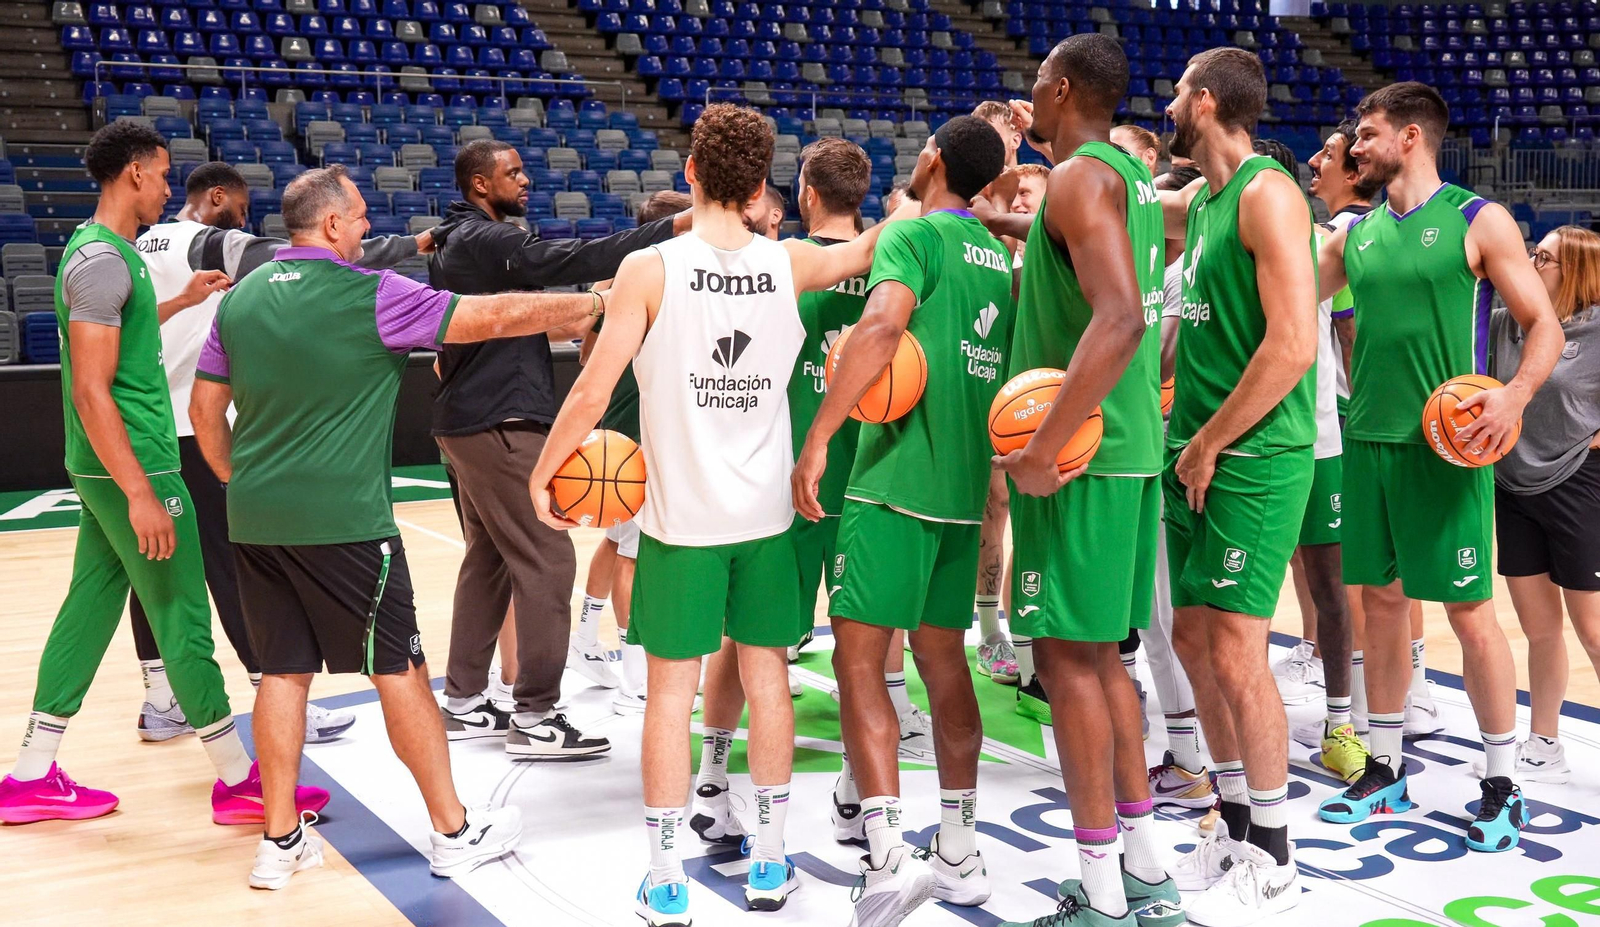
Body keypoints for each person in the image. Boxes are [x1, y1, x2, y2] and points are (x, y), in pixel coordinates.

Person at [188, 166, 610, 887]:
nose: (365, 229)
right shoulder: (372, 294)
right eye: (358, 217)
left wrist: (240, 482)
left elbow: (204, 413)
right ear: (330, 224)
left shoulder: (241, 297)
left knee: (283, 672)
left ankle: (280, 839)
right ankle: (453, 830)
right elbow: (492, 317)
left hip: (255, 520)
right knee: (401, 670)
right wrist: (594, 302)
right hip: (347, 523)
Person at [528, 104, 896, 923]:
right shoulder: (790, 261)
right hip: (766, 520)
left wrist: (544, 472)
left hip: (679, 525)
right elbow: (872, 245)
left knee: (671, 696)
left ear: (691, 172)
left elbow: (591, 389)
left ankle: (666, 877)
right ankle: (769, 860)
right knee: (769, 683)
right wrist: (933, 188)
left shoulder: (649, 269)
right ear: (763, 185)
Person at [0, 122, 329, 832]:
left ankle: (29, 774)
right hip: (139, 463)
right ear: (132, 174)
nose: (164, 186)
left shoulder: (101, 251)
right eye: (158, 172)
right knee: (184, 616)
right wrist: (142, 491)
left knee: (87, 612)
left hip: (102, 466)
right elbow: (91, 389)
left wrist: (180, 302)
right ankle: (239, 781)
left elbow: (121, 340)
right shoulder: (103, 261)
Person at [1312, 81, 1563, 854]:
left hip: (1447, 448)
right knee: (1382, 605)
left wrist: (1514, 396)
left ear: (1411, 136)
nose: (1356, 147)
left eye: (1367, 133)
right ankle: (1386, 766)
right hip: (1367, 441)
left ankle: (1501, 781)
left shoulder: (1477, 219)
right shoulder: (1352, 235)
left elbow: (1543, 325)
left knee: (1469, 614)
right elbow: (1283, 303)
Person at [969, 34, 1183, 927]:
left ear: (1061, 90)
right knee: (1101, 661)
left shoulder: (1077, 178)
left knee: (1064, 663)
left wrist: (1042, 448)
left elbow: (1122, 316)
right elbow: (1085, 253)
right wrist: (1008, 225)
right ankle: (1145, 870)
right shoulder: (1127, 177)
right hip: (1127, 449)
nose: (1029, 99)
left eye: (1036, 85)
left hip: (1079, 457)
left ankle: (1099, 894)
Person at [793, 115, 1012, 925]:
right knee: (945, 662)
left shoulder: (913, 236)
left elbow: (882, 325)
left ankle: (887, 855)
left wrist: (820, 435)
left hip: (892, 479)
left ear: (933, 161)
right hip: (962, 488)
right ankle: (959, 848)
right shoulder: (996, 257)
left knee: (857, 661)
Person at [128, 160, 431, 745]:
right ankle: (272, 685)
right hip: (197, 422)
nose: (245, 221)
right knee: (229, 571)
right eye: (241, 210)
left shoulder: (140, 247)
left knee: (157, 566)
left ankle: (160, 698)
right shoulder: (205, 241)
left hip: (150, 427)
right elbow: (305, 254)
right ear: (218, 197)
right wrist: (412, 244)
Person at [427, 139, 692, 758]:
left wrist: (595, 301)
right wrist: (674, 227)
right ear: (479, 185)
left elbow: (549, 315)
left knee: (488, 560)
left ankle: (463, 702)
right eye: (512, 173)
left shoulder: (458, 243)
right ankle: (537, 714)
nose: (525, 180)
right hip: (500, 418)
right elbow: (562, 257)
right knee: (547, 560)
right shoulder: (486, 238)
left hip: (468, 418)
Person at [1158, 48, 1319, 924]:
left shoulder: (1269, 194)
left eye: (1180, 92)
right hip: (1199, 451)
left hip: (1252, 457)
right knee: (1192, 635)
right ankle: (1233, 821)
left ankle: (1277, 857)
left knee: (1235, 650)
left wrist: (1209, 442)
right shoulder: (1205, 200)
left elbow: (1293, 344)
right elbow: (1128, 208)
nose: (1170, 104)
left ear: (1209, 101)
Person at [1486, 224, 1600, 784]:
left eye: (1544, 258)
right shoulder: (1506, 322)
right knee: (1540, 630)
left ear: (1576, 270)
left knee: (1594, 631)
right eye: (1533, 253)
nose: (1532, 262)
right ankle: (1545, 742)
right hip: (1513, 487)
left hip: (1579, 486)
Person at [576, 188, 696, 716]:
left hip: (624, 425)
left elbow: (587, 354)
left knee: (617, 541)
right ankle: (634, 673)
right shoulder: (652, 280)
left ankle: (584, 637)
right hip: (635, 433)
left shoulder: (630, 279)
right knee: (633, 553)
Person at [975, 100, 1024, 169]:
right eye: (978, 139)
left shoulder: (1034, 175)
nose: (983, 145)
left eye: (991, 137)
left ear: (1015, 141)